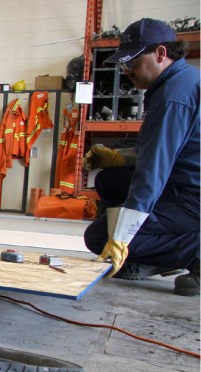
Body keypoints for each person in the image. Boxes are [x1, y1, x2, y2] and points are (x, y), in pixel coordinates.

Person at [83, 18, 199, 296]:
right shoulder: (178, 81)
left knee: (98, 237)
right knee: (110, 181)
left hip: (190, 197)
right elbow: (170, 150)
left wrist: (122, 236)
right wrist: (119, 158)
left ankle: (191, 249)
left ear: (160, 53)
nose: (127, 70)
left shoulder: (173, 96)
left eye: (133, 62)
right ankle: (150, 257)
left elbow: (154, 169)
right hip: (183, 183)